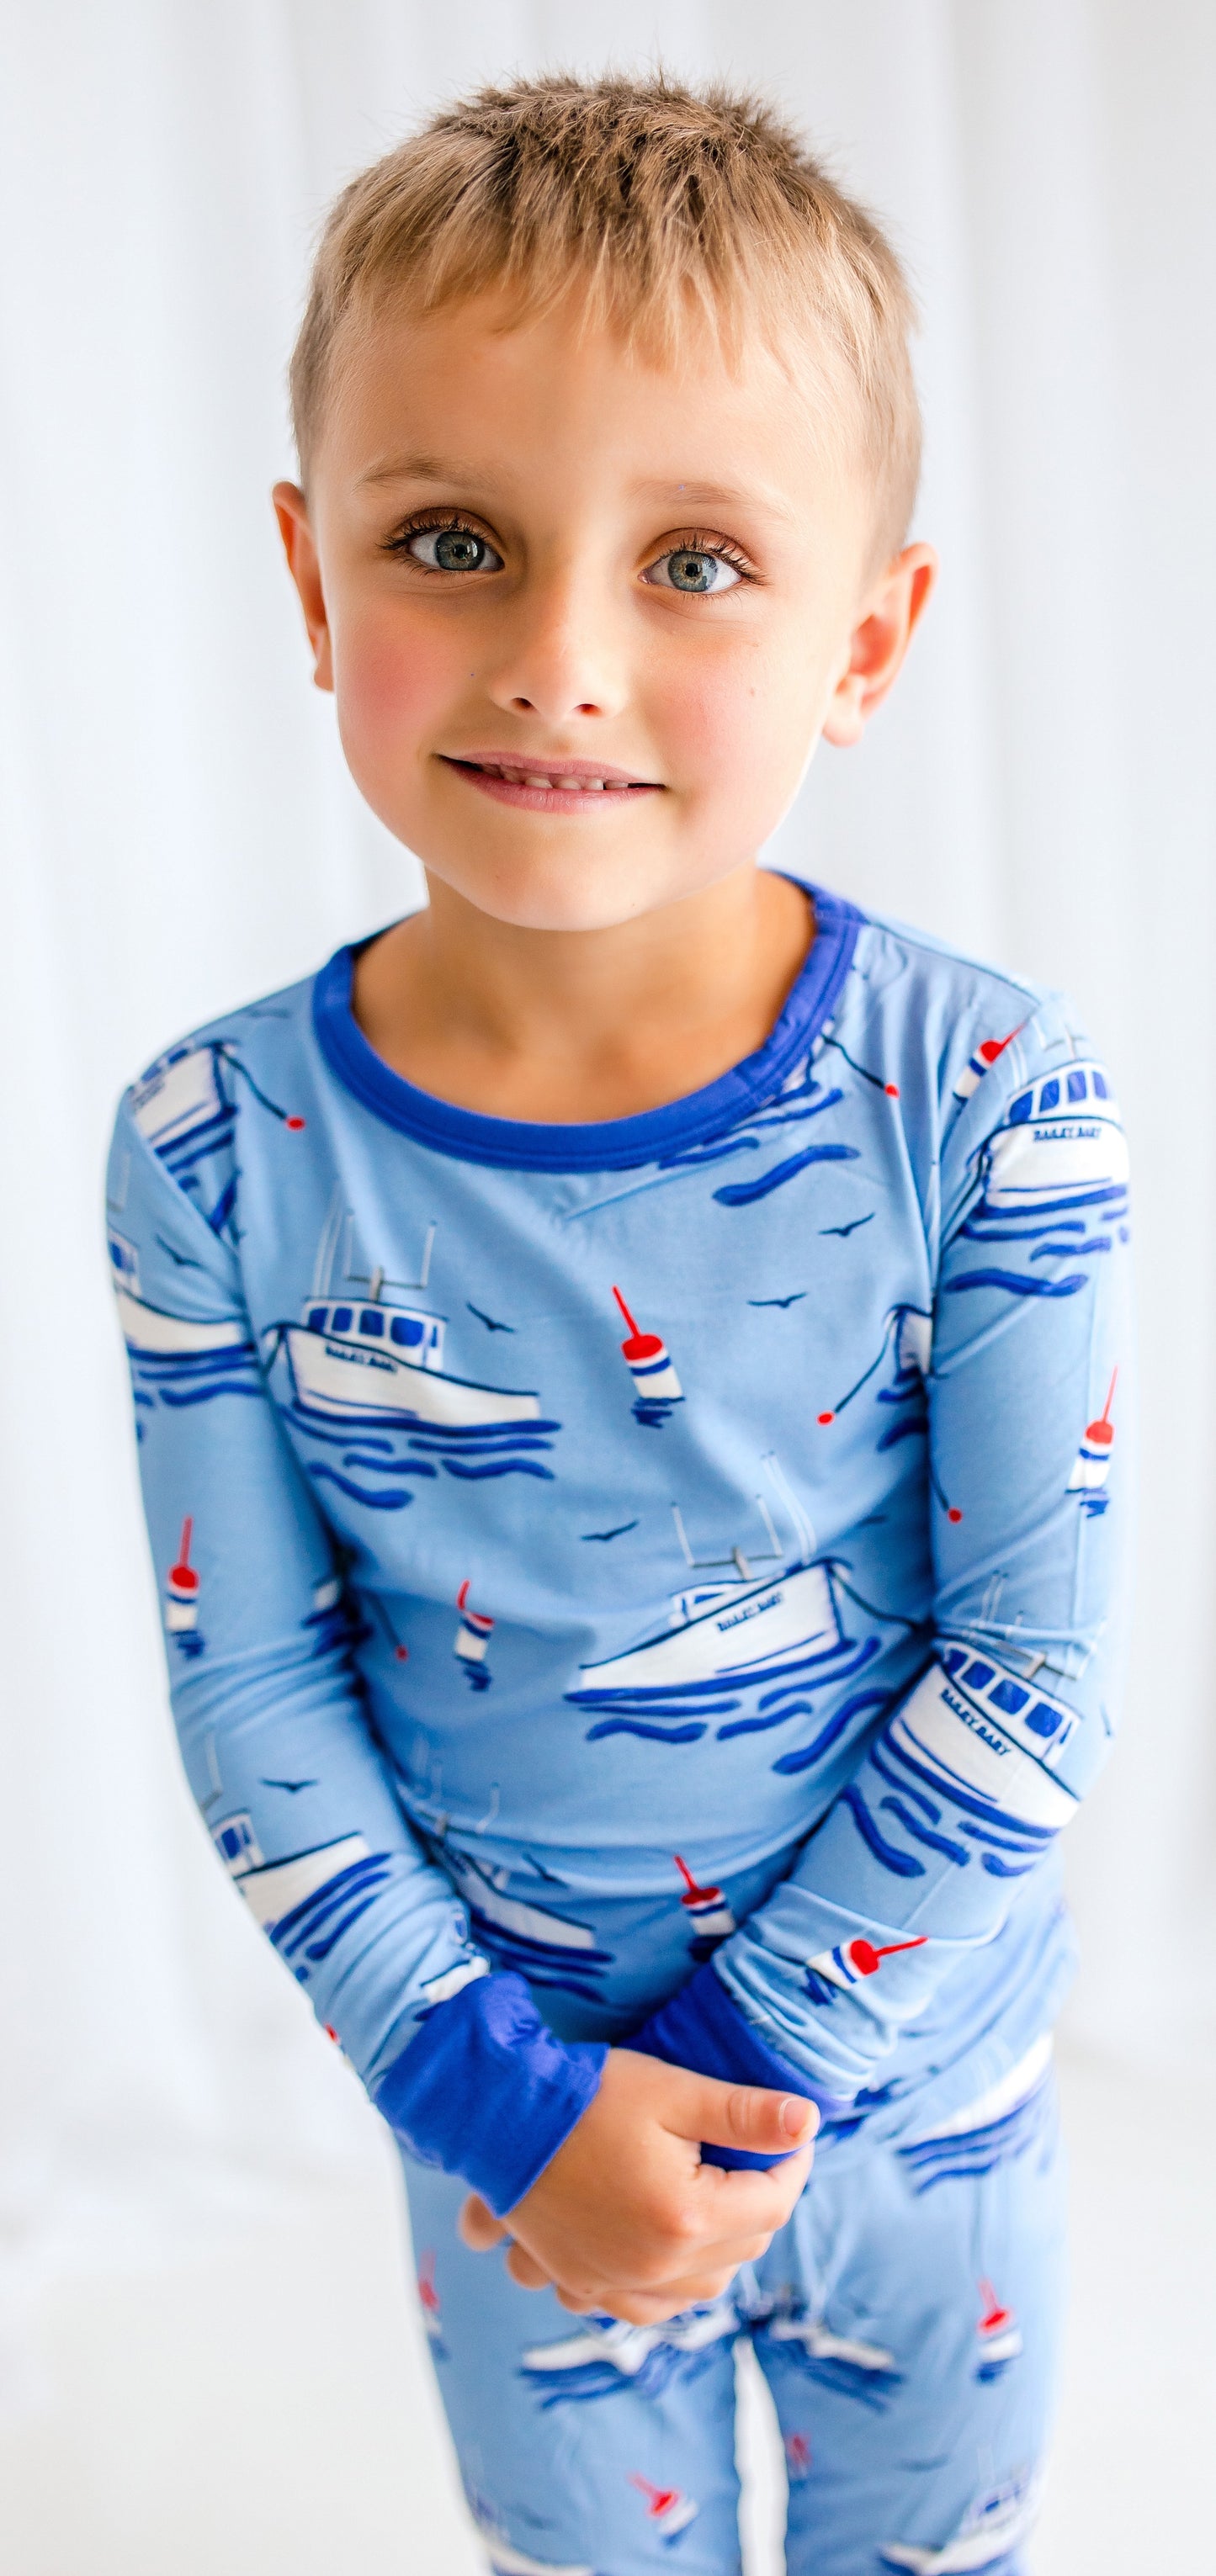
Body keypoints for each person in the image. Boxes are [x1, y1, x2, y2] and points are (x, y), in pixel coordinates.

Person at [107, 73, 1131, 2576]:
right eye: (454, 540)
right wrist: (519, 2120)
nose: (557, 659)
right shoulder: (211, 1148)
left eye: (696, 564)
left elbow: (1031, 1674)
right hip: (509, 2151)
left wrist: (738, 2084)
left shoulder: (991, 1098)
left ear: (868, 637)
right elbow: (257, 1694)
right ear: (313, 578)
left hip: (916, 2142)